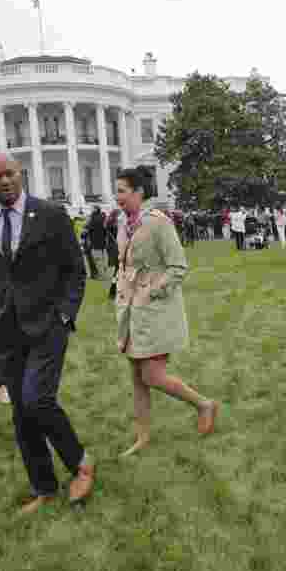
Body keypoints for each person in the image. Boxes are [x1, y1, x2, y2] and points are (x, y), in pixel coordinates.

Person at [0, 150, 90, 513]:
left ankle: (81, 464)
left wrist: (66, 315)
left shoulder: (51, 215)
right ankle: (44, 487)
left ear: (20, 174)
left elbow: (75, 270)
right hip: (7, 330)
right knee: (22, 413)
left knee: (37, 399)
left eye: (9, 174)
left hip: (47, 325)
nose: (4, 181)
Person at [114, 165, 219, 457]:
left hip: (155, 312)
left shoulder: (158, 222)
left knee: (153, 376)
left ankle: (204, 404)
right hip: (131, 313)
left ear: (139, 192)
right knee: (137, 377)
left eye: (122, 191)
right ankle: (143, 437)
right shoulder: (123, 225)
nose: (117, 197)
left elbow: (178, 266)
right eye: (116, 191)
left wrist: (152, 291)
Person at [87, 205, 108, 278]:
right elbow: (105, 229)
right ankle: (103, 272)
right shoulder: (103, 217)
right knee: (102, 258)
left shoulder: (92, 218)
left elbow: (89, 228)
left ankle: (101, 274)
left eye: (92, 209)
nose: (91, 210)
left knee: (97, 258)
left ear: (95, 209)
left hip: (94, 241)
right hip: (102, 241)